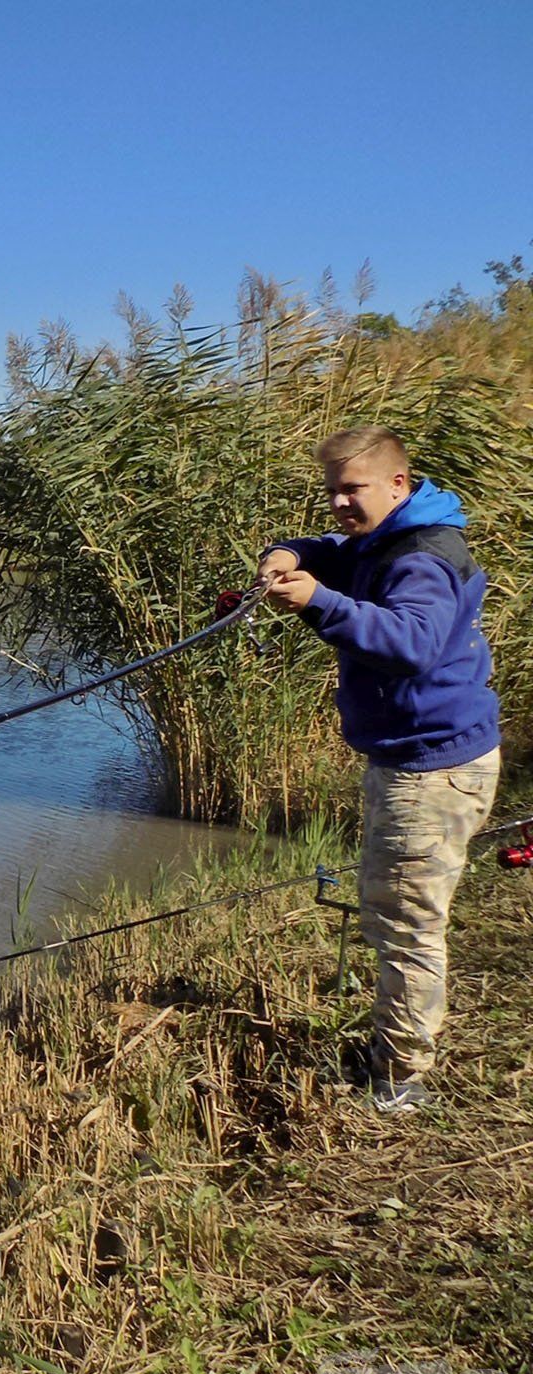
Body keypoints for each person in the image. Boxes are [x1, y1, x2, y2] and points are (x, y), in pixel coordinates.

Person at [257, 424, 501, 1115]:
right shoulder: (391, 535)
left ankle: (397, 1080)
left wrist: (319, 603)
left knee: (405, 924)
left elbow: (413, 644)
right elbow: (335, 549)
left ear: (398, 483)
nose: (338, 503)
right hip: (426, 756)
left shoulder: (419, 558)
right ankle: (399, 1054)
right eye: (331, 489)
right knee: (401, 910)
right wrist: (290, 554)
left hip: (431, 769)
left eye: (351, 489)